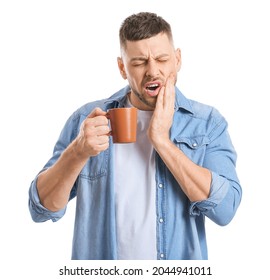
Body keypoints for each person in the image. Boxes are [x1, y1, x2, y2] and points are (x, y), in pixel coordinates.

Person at [28, 12, 242, 260]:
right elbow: (41, 208)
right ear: (122, 67)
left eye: (162, 59)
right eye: (140, 62)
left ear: (178, 60)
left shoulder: (207, 123)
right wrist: (77, 152)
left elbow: (225, 210)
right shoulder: (87, 120)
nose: (153, 71)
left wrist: (161, 140)